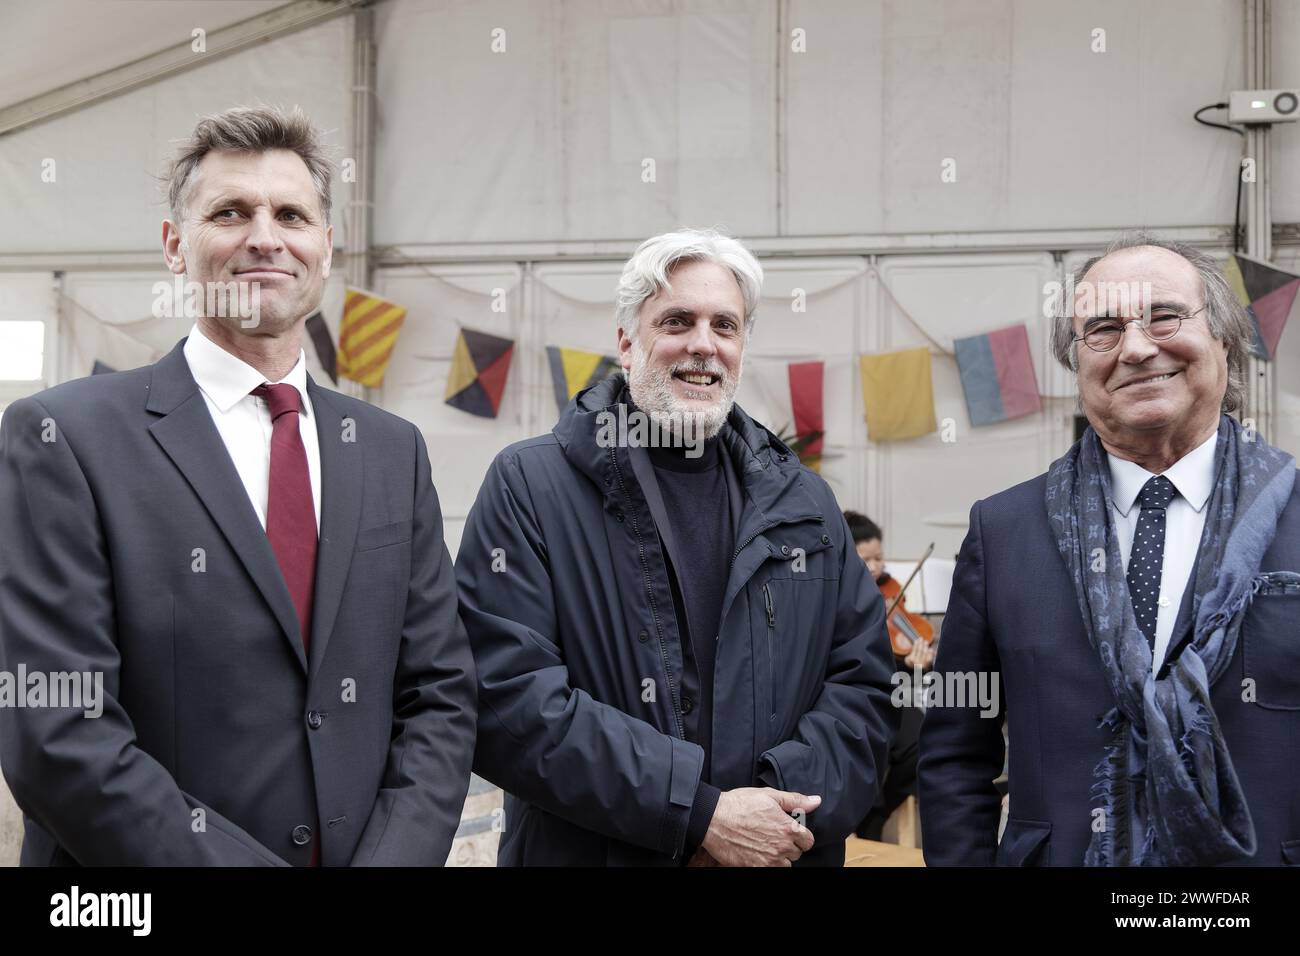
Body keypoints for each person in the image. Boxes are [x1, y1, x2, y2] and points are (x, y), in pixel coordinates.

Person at [0, 106, 477, 866]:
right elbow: (58, 727)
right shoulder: (65, 439)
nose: (265, 236)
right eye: (230, 212)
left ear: (325, 248)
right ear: (174, 246)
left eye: (291, 214)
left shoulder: (391, 450)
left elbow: (440, 697)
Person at [456, 228, 897, 866]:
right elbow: (507, 699)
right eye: (677, 320)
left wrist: (765, 812)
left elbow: (863, 692)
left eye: (726, 325)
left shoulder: (807, 505)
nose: (703, 345)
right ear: (627, 341)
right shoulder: (530, 486)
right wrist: (696, 814)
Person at [919, 233, 1300, 866]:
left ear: (1225, 338)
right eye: (1103, 329)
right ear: (1077, 362)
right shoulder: (1004, 529)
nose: (1138, 348)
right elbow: (957, 750)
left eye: (1164, 316)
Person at [845, 511, 930, 840]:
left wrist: (916, 667)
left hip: (890, 690)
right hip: (852, 690)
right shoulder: (838, 596)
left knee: (923, 744)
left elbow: (901, 673)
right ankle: (861, 820)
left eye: (878, 558)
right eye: (864, 559)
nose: (875, 567)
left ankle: (876, 817)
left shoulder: (890, 592)